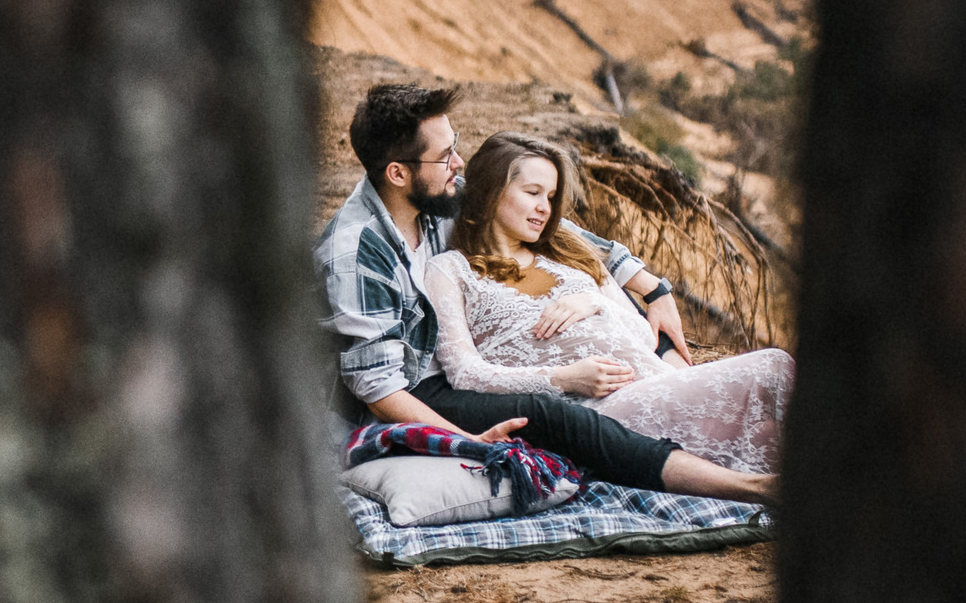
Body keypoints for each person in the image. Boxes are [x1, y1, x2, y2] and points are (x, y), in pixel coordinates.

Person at [314, 83, 774, 503]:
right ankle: (748, 488)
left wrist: (651, 286)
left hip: (461, 364)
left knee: (633, 313)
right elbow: (380, 392)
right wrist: (471, 442)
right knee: (552, 414)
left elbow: (547, 228)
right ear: (397, 172)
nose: (458, 164)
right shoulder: (354, 253)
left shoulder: (432, 195)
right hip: (418, 389)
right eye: (446, 156)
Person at [423, 133, 790, 500]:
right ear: (490, 192)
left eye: (550, 198)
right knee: (773, 369)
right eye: (532, 193)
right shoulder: (450, 270)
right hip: (597, 414)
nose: (544, 208)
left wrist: (594, 302)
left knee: (770, 432)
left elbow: (645, 338)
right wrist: (563, 379)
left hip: (656, 383)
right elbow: (465, 373)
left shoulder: (569, 256)